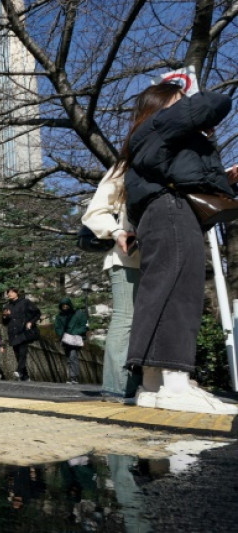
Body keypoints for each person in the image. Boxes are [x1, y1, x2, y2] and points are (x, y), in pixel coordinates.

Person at [122, 83, 238, 414]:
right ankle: (176, 384)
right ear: (165, 105)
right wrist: (188, 104)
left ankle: (153, 386)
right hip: (172, 211)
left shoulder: (148, 136)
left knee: (159, 292)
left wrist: (224, 182)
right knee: (180, 291)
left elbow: (179, 171)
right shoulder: (161, 123)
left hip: (157, 213)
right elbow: (216, 101)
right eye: (179, 103)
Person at [81, 163, 141, 401]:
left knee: (143, 320)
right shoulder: (124, 167)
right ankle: (117, 385)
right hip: (125, 255)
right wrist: (117, 232)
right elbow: (94, 212)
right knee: (127, 316)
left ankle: (136, 382)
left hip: (157, 256)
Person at [2, 288, 40, 382]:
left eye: (11, 292)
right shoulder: (7, 306)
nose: (9, 294)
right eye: (8, 293)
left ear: (16, 293)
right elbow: (4, 322)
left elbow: (37, 313)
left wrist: (31, 322)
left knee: (23, 352)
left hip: (23, 331)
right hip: (13, 333)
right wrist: (5, 316)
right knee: (17, 354)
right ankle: (25, 376)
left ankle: (19, 371)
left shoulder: (25, 302)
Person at [54, 298, 88, 384]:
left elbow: (84, 326)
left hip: (75, 339)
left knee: (73, 356)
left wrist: (75, 333)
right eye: (63, 306)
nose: (65, 307)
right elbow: (57, 328)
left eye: (66, 305)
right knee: (69, 357)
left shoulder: (78, 314)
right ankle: (71, 377)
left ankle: (74, 377)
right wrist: (62, 334)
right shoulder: (59, 316)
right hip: (66, 339)